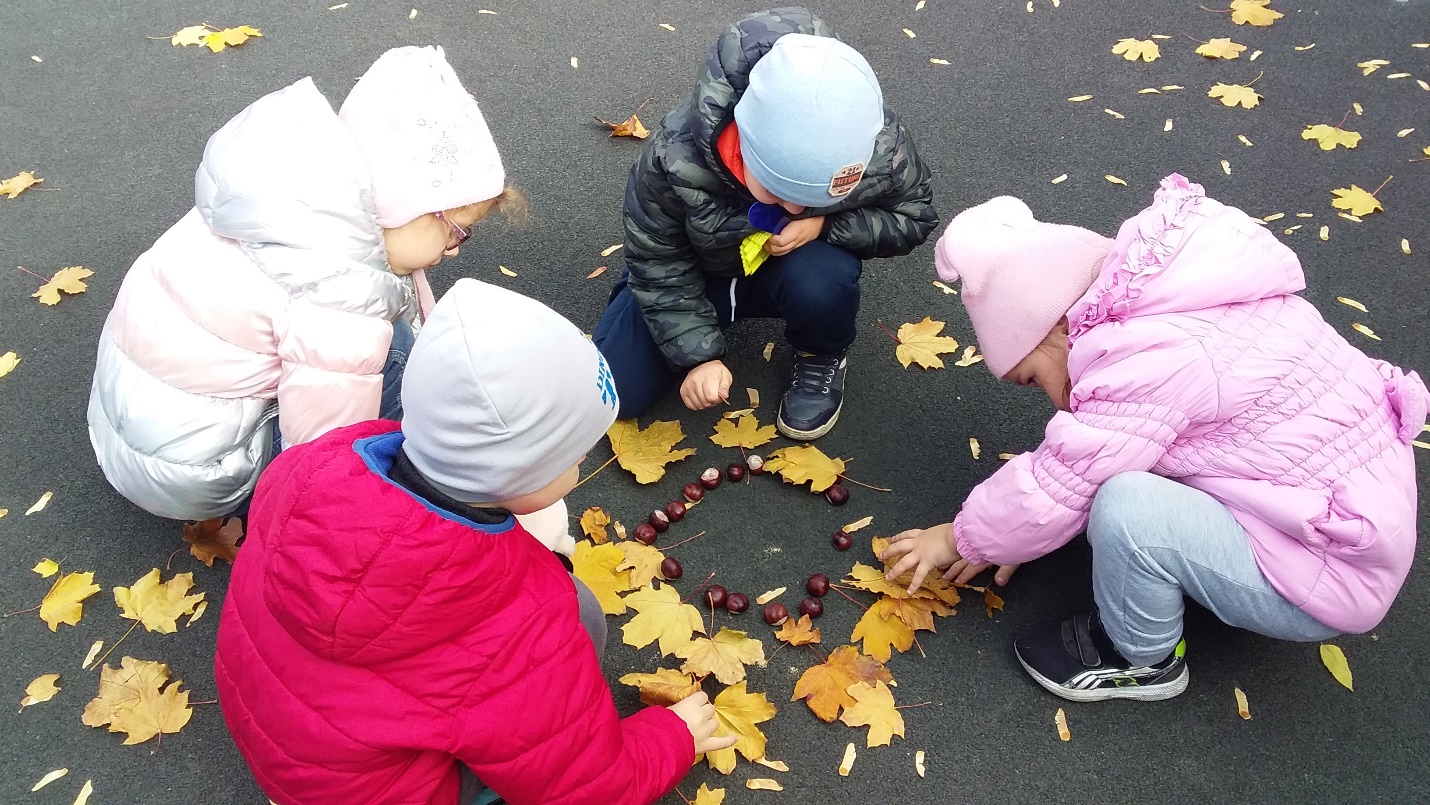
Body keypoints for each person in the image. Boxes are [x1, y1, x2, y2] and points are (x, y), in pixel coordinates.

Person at [883, 174, 1425, 702]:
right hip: (1338, 515)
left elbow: (1062, 483)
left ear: (1055, 327)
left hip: (1327, 572)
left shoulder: (1146, 361)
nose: (1051, 397)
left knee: (1128, 509)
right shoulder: (1179, 300)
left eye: (1032, 376)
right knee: (1121, 462)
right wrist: (1013, 535)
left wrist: (960, 538)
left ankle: (1141, 659)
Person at [215, 278, 735, 805]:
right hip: (389, 793)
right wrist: (671, 741)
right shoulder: (522, 626)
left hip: (293, 745)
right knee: (579, 613)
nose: (581, 463)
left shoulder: (313, 467)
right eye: (572, 454)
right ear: (520, 474)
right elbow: (585, 790)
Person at [86, 46, 521, 522]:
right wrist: (335, 511)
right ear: (403, 206)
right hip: (201, 472)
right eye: (456, 229)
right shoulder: (337, 294)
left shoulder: (284, 198)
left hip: (135, 426)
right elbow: (322, 449)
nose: (457, 247)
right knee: (394, 360)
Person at [593, 6, 938, 440]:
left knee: (823, 280)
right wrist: (697, 356)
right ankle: (685, 322)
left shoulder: (878, 143)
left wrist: (825, 227)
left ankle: (821, 353)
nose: (793, 210)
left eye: (813, 201)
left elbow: (915, 215)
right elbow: (658, 261)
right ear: (744, 144)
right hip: (695, 269)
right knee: (616, 393)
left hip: (790, 267)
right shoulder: (672, 159)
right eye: (778, 192)